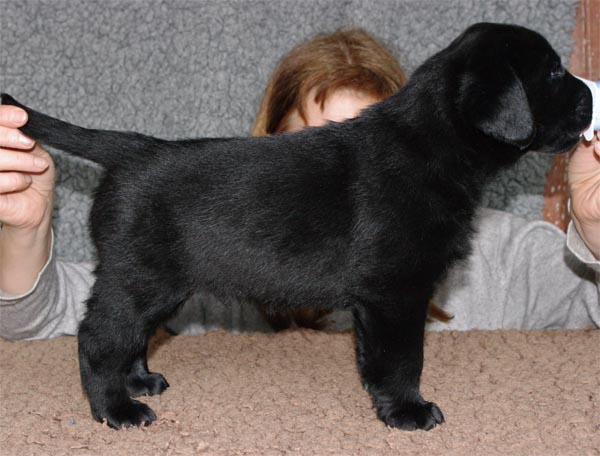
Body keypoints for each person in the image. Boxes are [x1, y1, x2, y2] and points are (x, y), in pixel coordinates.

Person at [0, 28, 599, 340]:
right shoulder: (217, 250)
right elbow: (47, 322)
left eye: (363, 151)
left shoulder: (501, 254)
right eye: (311, 150)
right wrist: (25, 233)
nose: (341, 181)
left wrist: (596, 230)